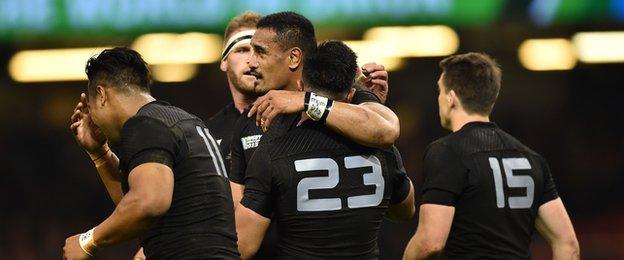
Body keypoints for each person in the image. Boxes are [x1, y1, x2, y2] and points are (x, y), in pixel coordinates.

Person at [235, 40, 415, 259]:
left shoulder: (273, 153)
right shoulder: (384, 151)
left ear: (300, 88)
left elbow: (243, 246)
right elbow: (404, 210)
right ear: (350, 95)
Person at [63, 47, 239, 259]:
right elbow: (137, 204)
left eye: (91, 110)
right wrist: (100, 153)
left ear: (101, 95)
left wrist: (89, 240)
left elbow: (149, 202)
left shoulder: (144, 125)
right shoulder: (181, 121)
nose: (95, 121)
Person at [403, 53, 579, 260]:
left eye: (439, 91)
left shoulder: (447, 152)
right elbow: (568, 244)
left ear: (451, 98)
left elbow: (429, 243)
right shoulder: (531, 159)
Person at [229, 11, 400, 199]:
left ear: (294, 58)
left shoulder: (344, 99)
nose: (250, 62)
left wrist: (307, 101)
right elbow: (239, 211)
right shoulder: (248, 120)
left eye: (260, 52)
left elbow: (388, 131)